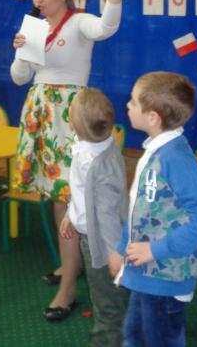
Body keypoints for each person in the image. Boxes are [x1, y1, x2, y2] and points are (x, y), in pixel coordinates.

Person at [11, 0, 124, 320]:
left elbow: (106, 28)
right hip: (40, 113)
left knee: (69, 199)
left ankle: (69, 288)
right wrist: (21, 51)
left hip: (70, 116)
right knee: (57, 198)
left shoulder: (79, 22)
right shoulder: (33, 27)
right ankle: (69, 265)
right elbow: (19, 78)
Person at [112, 71, 197, 347]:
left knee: (159, 339)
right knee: (134, 335)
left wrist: (155, 250)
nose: (127, 105)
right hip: (145, 272)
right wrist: (122, 248)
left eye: (133, 102)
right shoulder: (156, 150)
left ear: (153, 118)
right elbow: (139, 210)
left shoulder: (176, 159)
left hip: (166, 276)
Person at [58, 87, 128, 347]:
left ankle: (108, 341)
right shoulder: (103, 142)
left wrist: (113, 253)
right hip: (97, 232)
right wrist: (71, 213)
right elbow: (82, 192)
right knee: (110, 294)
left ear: (73, 124)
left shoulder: (93, 162)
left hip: (100, 242)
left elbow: (106, 214)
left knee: (106, 301)